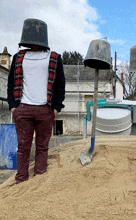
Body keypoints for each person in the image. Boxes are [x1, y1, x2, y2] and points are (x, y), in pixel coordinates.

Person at [7, 18, 65, 184]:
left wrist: (56, 108)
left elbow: (61, 84)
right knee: (23, 148)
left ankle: (38, 183)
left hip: (45, 109)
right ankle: (21, 182)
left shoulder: (54, 57)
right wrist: (13, 107)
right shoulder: (18, 57)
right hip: (22, 108)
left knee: (42, 148)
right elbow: (11, 83)